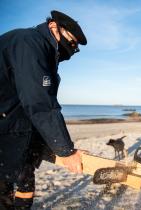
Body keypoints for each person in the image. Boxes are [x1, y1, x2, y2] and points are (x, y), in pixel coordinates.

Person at [0, 10, 87, 209]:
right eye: (71, 42)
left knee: (25, 176)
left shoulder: (45, 51)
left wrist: (60, 147)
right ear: (53, 27)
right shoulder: (29, 43)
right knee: (3, 186)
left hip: (15, 125)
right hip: (4, 127)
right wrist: (65, 150)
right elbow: (40, 103)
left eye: (75, 48)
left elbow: (29, 104)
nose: (72, 50)